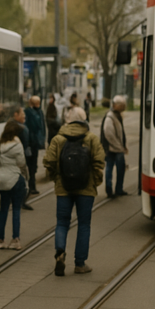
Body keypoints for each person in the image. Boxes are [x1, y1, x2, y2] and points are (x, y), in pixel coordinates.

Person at [43, 106, 105, 276]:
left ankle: (60, 253)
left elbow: (48, 161)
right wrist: (94, 182)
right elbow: (99, 162)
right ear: (84, 119)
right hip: (86, 190)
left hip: (64, 188)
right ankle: (80, 263)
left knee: (62, 223)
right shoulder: (91, 138)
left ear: (68, 119)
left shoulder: (58, 139)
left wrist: (57, 178)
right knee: (84, 225)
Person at [0, 119, 29, 250]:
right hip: (15, 178)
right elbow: (21, 162)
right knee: (16, 209)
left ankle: (0, 240)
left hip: (2, 179)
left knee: (3, 209)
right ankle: (15, 239)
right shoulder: (17, 144)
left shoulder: (0, 143)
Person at [101, 95, 129, 198]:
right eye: (121, 106)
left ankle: (118, 189)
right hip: (112, 148)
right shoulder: (110, 117)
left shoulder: (117, 115)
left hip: (117, 147)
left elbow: (121, 133)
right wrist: (119, 146)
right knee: (111, 168)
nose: (123, 108)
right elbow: (109, 134)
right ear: (115, 105)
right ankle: (110, 189)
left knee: (119, 168)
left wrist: (124, 145)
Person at [9, 106, 34, 211]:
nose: (24, 116)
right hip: (21, 157)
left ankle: (20, 200)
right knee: (24, 179)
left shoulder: (14, 125)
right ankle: (21, 201)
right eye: (22, 114)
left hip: (18, 157)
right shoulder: (20, 128)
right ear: (16, 115)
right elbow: (24, 143)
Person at [23, 96, 47, 197]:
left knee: (34, 166)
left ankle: (32, 186)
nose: (39, 104)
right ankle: (30, 186)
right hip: (31, 143)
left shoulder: (39, 112)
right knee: (30, 165)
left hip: (36, 143)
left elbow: (42, 127)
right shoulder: (28, 112)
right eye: (37, 102)